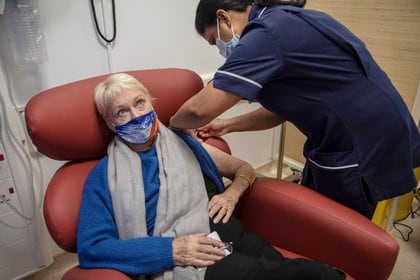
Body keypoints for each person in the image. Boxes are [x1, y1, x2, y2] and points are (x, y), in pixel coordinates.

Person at [76, 73, 345, 280]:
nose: (136, 116)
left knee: (277, 264)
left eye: (139, 103)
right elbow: (92, 248)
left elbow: (244, 170)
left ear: (151, 102)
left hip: (221, 225)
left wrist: (231, 194)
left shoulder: (182, 141)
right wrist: (171, 250)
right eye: (122, 112)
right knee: (307, 275)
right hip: (180, 251)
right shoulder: (104, 175)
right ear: (111, 123)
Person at [169, 0, 420, 218]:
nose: (219, 49)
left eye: (215, 40)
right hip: (374, 126)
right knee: (320, 209)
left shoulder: (267, 34)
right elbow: (283, 110)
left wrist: (170, 127)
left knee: (339, 222)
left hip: (360, 140)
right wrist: (227, 125)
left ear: (223, 17)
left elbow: (197, 111)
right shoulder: (289, 19)